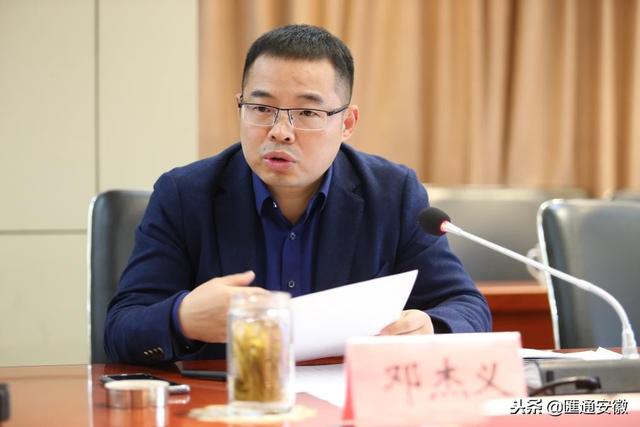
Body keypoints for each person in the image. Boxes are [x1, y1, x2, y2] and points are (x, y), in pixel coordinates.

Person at [105, 24, 491, 364]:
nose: (280, 131)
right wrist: (182, 318)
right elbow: (121, 329)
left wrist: (430, 327)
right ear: (240, 107)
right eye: (262, 108)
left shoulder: (392, 194)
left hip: (349, 405)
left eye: (307, 113)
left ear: (347, 123)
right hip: (227, 405)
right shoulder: (184, 195)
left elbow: (467, 307)